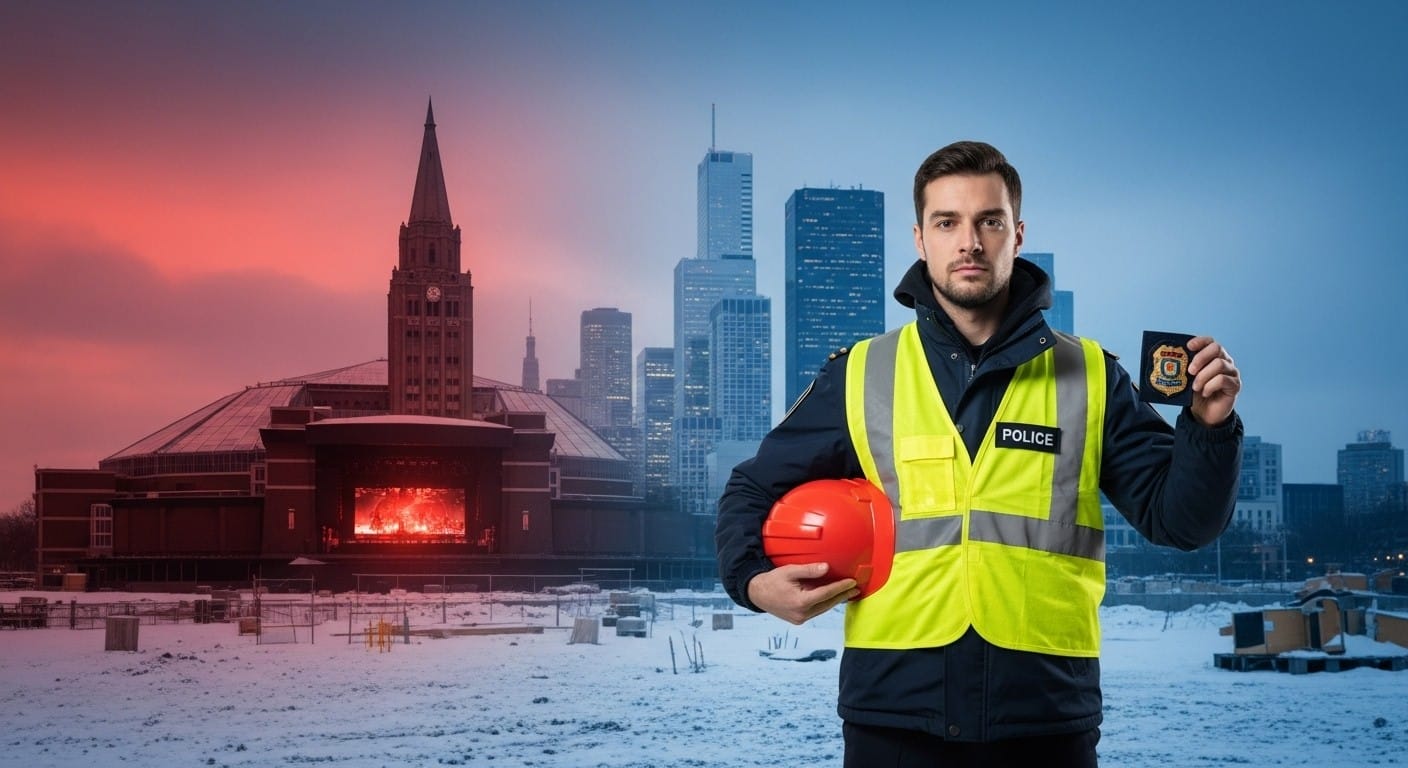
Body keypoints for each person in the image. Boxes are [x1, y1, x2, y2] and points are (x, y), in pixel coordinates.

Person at [715, 140, 1243, 768]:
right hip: (893, 720)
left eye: (988, 221)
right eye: (948, 222)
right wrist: (752, 582)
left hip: (1045, 719)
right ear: (921, 238)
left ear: (1016, 234)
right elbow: (751, 489)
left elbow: (1180, 521)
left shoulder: (1090, 376)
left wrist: (1209, 427)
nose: (969, 241)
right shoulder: (859, 374)